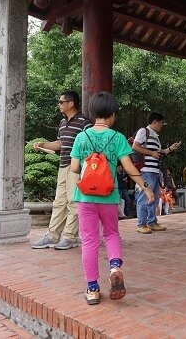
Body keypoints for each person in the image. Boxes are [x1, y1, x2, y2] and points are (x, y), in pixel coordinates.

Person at [70, 91, 154, 305]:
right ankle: (115, 268)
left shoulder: (81, 137)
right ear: (113, 114)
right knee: (111, 234)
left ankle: (92, 289)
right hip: (109, 196)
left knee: (89, 241)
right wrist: (145, 187)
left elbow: (74, 168)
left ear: (92, 113)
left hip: (85, 197)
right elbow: (129, 168)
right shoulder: (117, 138)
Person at [31, 90, 91, 250]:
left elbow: (90, 147)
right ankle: (52, 236)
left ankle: (70, 237)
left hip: (76, 167)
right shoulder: (63, 123)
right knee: (59, 202)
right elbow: (60, 144)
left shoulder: (84, 122)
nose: (59, 105)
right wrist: (42, 144)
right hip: (63, 165)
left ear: (71, 103)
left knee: (73, 202)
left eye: (61, 102)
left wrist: (83, 168)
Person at [132, 112, 182, 234]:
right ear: (154, 121)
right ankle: (141, 224)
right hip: (146, 171)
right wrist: (151, 153)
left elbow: (159, 153)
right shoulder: (144, 131)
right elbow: (135, 146)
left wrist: (170, 149)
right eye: (161, 122)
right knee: (144, 198)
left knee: (154, 199)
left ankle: (152, 222)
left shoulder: (155, 136)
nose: (161, 125)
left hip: (155, 171)